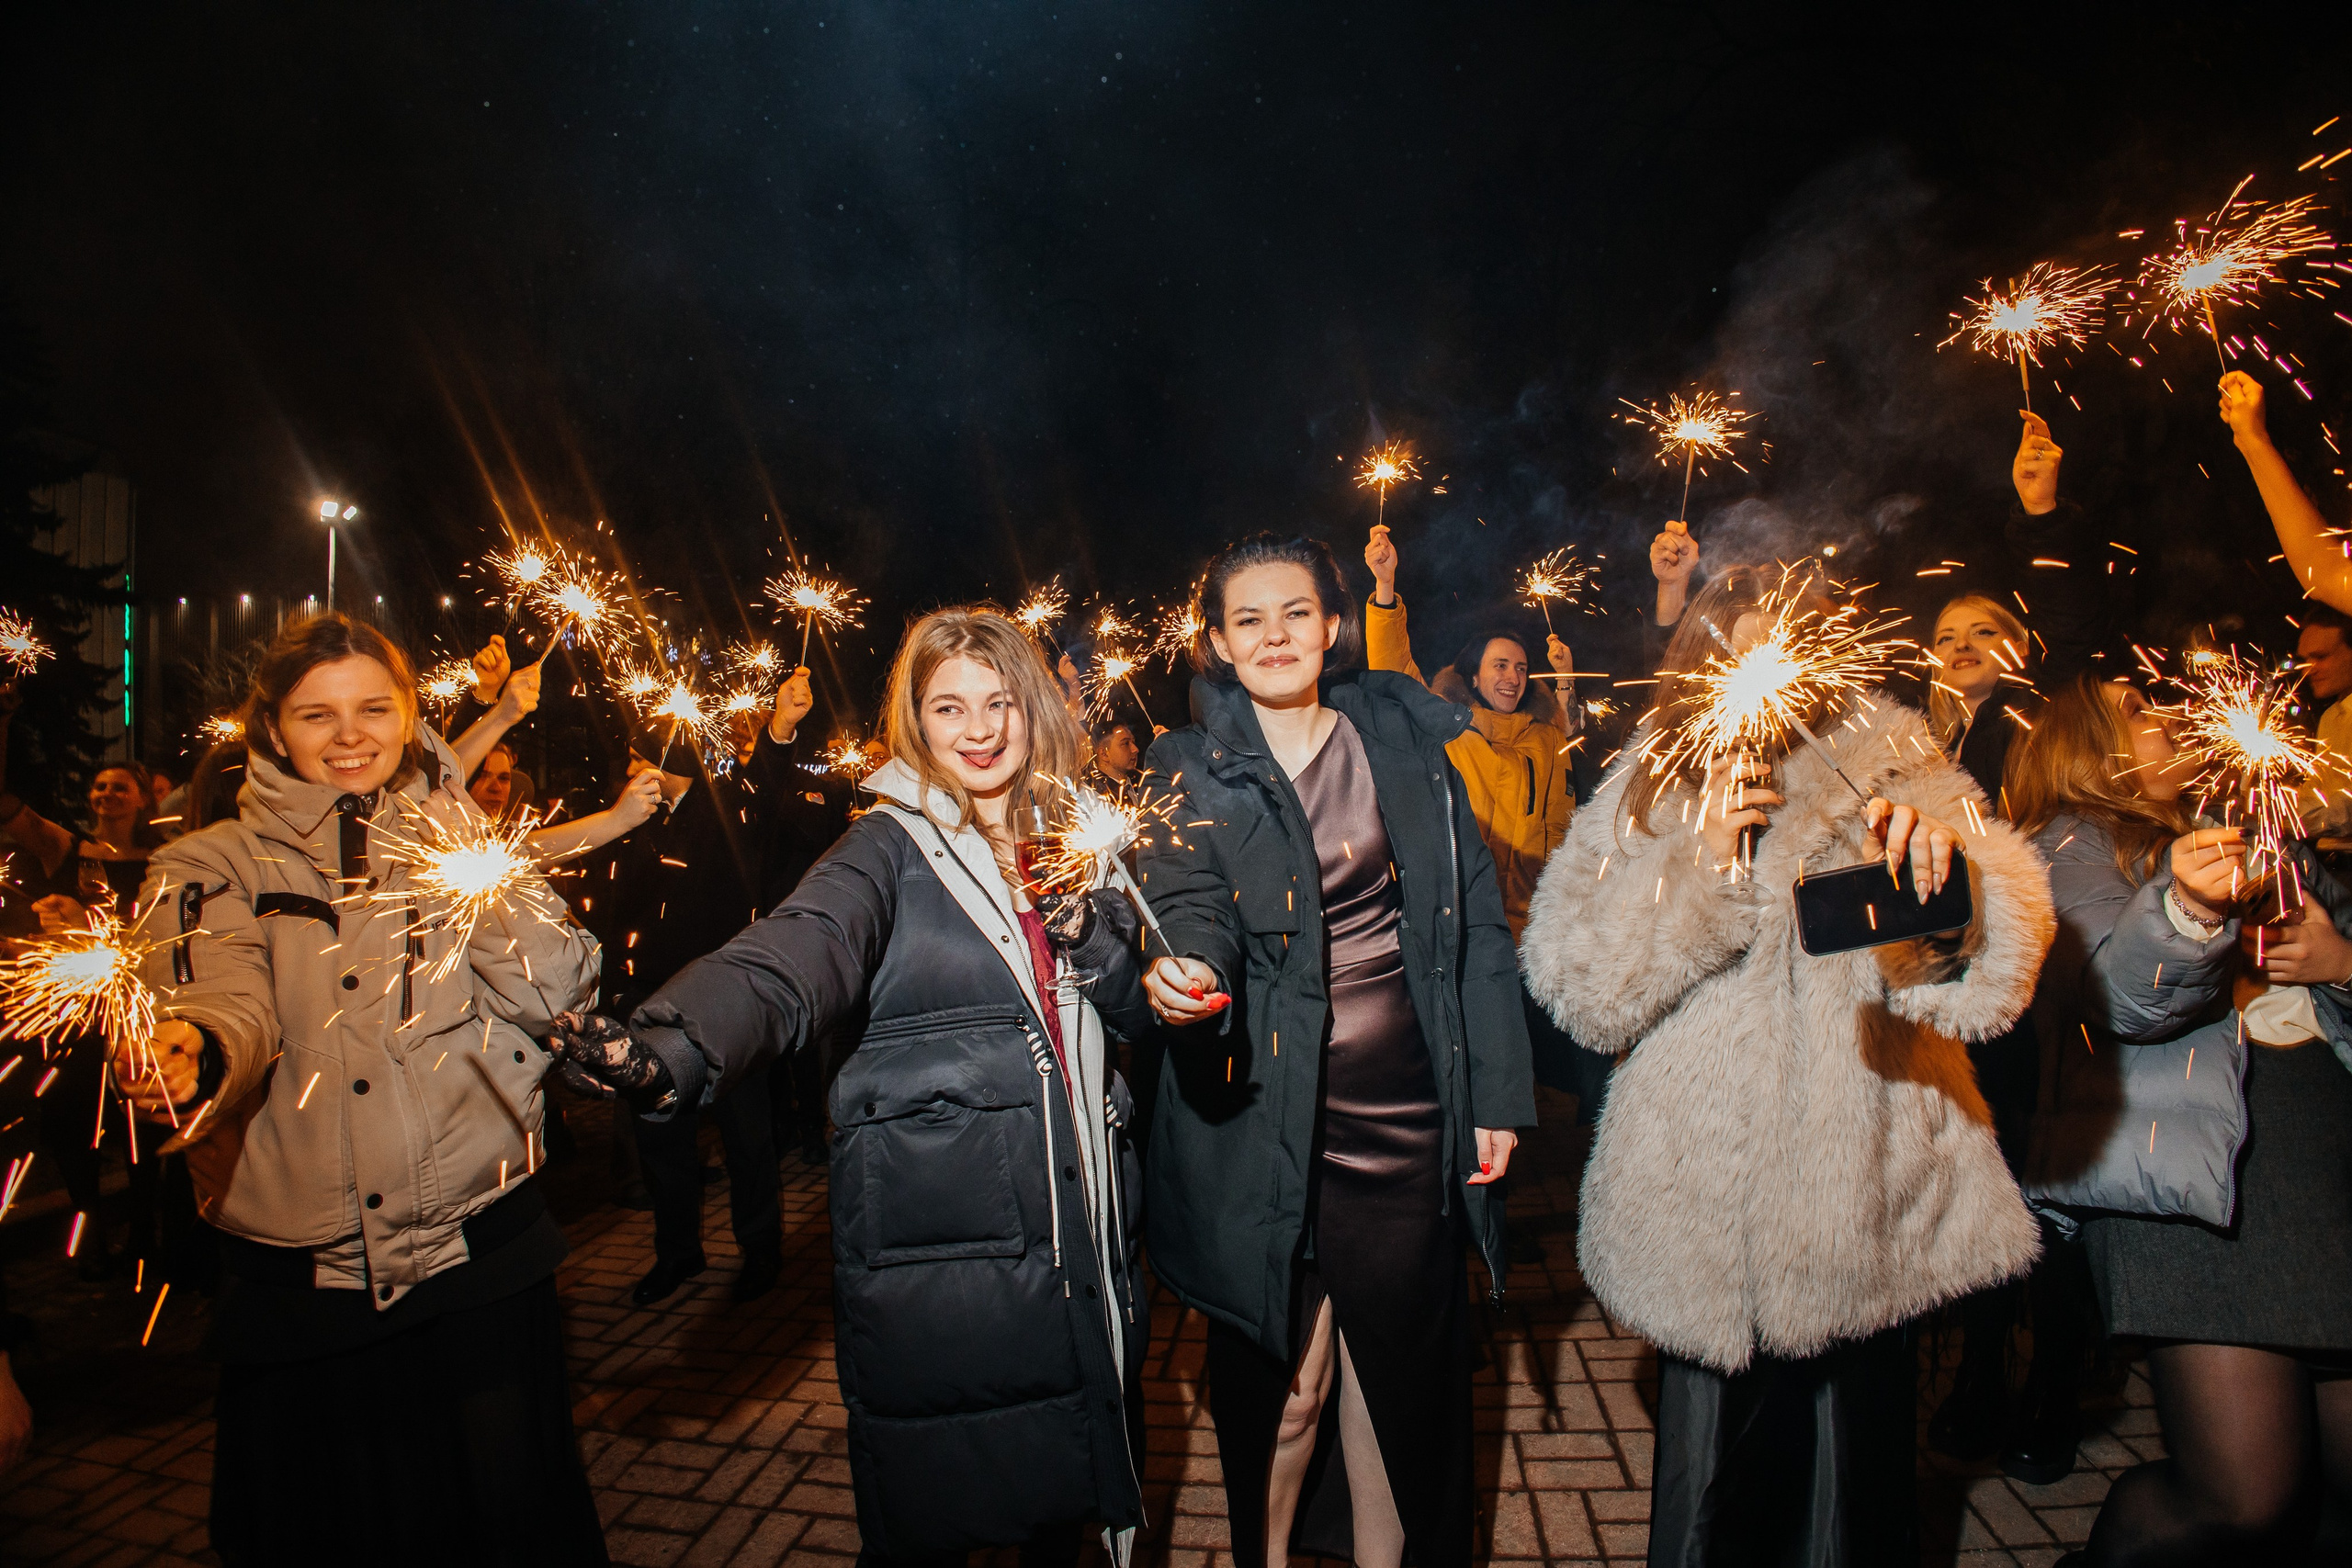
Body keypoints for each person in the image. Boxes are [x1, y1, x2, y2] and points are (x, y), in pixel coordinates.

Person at [548, 607, 1153, 1563]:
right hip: (943, 1239)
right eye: (949, 706)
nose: (981, 728)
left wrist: (1099, 941)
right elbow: (796, 954)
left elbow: (1128, 1010)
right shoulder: (886, 846)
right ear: (915, 720)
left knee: (1061, 1508)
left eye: (999, 702)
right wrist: (670, 1045)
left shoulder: (1078, 838)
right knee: (936, 1508)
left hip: (1075, 1218)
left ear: (1033, 708)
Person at [1520, 563, 2052, 1563]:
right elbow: (1575, 983)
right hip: (1700, 1199)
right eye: (1737, 643)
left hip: (1859, 1190)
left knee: (1851, 1504)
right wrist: (1695, 871)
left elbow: (1999, 954)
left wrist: (1944, 888)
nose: (1764, 665)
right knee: (1707, 1499)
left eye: (1788, 641)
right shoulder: (1649, 778)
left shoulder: (1892, 758)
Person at [125, 612, 606, 1566]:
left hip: (481, 1260)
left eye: (373, 709)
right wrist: (198, 1053)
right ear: (272, 731)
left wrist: (459, 832)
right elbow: (226, 1000)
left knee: (506, 1531)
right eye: (317, 714)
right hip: (311, 1293)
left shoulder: (449, 835)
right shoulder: (207, 864)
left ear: (409, 720)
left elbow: (556, 985)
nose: (349, 735)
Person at [1134, 533, 1535, 1568]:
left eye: (1296, 612)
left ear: (1333, 624)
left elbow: (1477, 927)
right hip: (1264, 1109)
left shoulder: (1399, 742)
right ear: (1218, 643)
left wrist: (1494, 1091)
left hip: (1404, 1110)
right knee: (1288, 1388)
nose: (1275, 635)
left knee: (1391, 1379)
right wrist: (1187, 970)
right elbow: (1183, 902)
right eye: (1249, 620)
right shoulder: (1186, 764)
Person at [2011, 673, 2352, 1567]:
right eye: (2136, 709)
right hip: (2195, 1177)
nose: (2171, 713)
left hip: (2325, 1149)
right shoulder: (2063, 848)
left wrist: (2338, 962)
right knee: (2241, 1499)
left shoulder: (2266, 835)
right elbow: (2120, 1004)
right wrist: (2187, 909)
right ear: (2088, 746)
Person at [576, 667, 818, 1304]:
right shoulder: (630, 820)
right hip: (651, 1007)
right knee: (663, 1143)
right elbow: (615, 911)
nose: (629, 769)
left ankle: (761, 1249)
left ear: (664, 761)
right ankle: (677, 1253)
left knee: (748, 1137)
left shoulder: (721, 808)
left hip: (725, 1004)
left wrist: (781, 727)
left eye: (637, 757)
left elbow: (763, 788)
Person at [1362, 524, 1597, 1119]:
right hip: (1470, 935)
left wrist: (1566, 679)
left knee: (1584, 1062)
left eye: (1520, 667)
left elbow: (1568, 815)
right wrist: (1386, 588)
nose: (1512, 677)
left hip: (1537, 937)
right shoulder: (1449, 728)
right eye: (1500, 665)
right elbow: (1393, 673)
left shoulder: (1546, 740)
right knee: (1480, 1086)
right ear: (1474, 672)